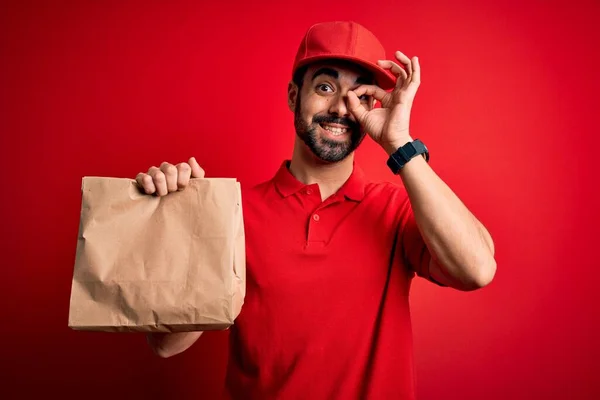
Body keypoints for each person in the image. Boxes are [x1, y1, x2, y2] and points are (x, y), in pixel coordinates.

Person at [138, 20, 496, 399]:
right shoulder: (233, 213)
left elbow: (478, 269)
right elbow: (166, 344)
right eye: (325, 87)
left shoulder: (395, 211)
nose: (341, 108)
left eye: (359, 95)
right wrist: (184, 219)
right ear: (294, 96)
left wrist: (399, 143)